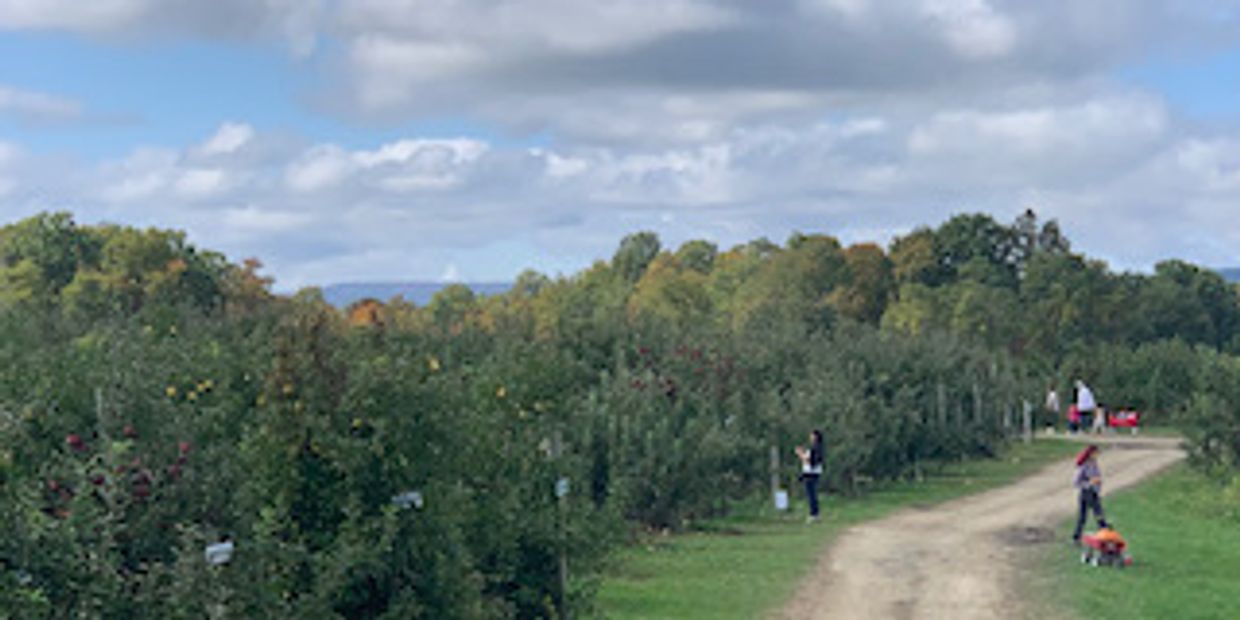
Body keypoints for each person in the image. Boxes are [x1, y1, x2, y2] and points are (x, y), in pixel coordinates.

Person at [1072, 444, 1109, 545]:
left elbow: (1097, 476)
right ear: (1091, 454)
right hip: (1087, 493)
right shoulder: (1083, 466)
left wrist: (1098, 482)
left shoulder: (1094, 464)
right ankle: (1105, 533)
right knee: (1097, 513)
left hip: (1094, 492)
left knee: (1091, 514)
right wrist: (1090, 483)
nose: (1098, 455)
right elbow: (1076, 482)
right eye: (1096, 453)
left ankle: (1077, 536)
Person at [795, 430, 825, 522]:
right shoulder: (817, 448)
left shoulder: (815, 448)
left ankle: (814, 514)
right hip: (812, 473)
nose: (810, 437)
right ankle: (815, 513)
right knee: (812, 494)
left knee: (811, 494)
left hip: (811, 473)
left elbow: (810, 461)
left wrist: (800, 454)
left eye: (812, 435)